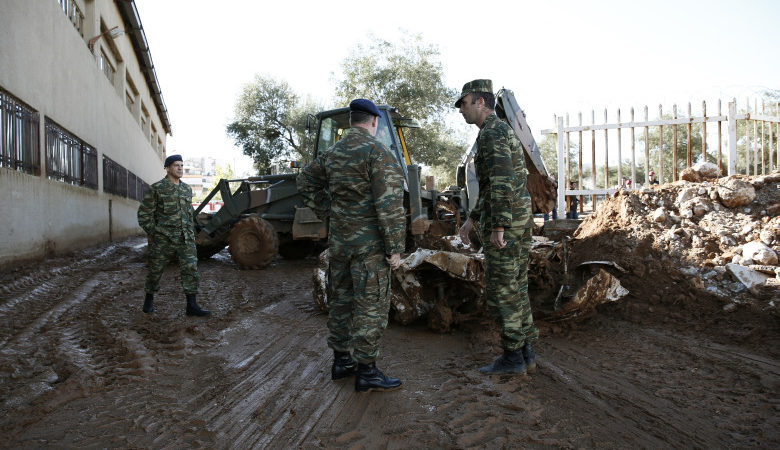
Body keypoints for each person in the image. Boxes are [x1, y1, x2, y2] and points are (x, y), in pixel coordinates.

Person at [297, 99, 406, 392]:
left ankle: (341, 361)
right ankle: (367, 370)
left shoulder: (332, 153)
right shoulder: (376, 152)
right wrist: (395, 247)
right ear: (373, 121)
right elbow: (390, 203)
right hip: (369, 245)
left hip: (341, 243)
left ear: (350, 121)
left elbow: (305, 182)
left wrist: (329, 212)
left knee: (342, 300)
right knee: (371, 305)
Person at [456, 80, 538, 375]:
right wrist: (472, 217)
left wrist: (498, 226)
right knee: (517, 288)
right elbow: (492, 185)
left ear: (480, 101)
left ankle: (513, 356)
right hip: (519, 222)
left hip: (508, 226)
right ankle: (526, 351)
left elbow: (502, 182)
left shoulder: (492, 134)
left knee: (502, 290)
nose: (460, 110)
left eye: (463, 103)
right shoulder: (499, 131)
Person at [137, 154, 210, 317]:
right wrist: (155, 232)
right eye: (176, 165)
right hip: (164, 239)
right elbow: (143, 214)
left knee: (191, 269)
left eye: (182, 166)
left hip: (185, 239)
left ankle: (192, 306)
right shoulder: (157, 188)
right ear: (168, 168)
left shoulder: (186, 189)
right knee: (155, 270)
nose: (180, 168)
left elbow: (189, 212)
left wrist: (193, 231)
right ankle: (148, 301)